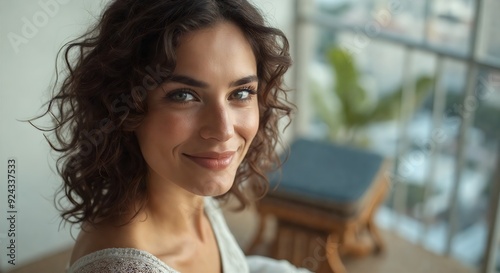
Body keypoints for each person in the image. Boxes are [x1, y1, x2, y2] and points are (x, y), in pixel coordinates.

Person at [37, 0, 312, 272]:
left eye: (240, 93)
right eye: (184, 96)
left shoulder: (189, 195)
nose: (223, 130)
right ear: (124, 108)